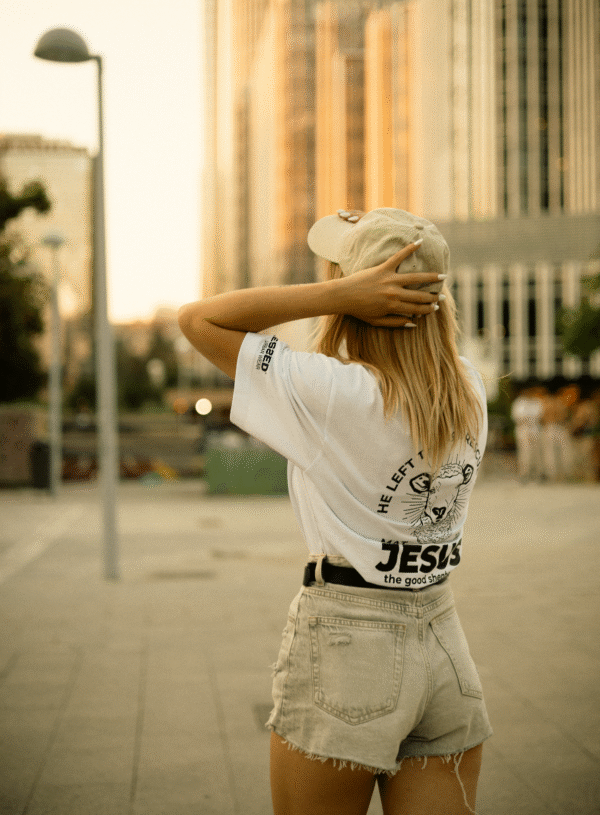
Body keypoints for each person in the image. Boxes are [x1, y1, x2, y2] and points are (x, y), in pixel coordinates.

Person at [178, 207, 492, 815]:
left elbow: (198, 319)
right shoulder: (468, 388)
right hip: (442, 639)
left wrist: (337, 294)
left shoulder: (333, 394)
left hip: (349, 645)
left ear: (362, 298)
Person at [510, 385, 544, 482]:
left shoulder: (536, 402)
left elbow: (539, 416)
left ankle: (536, 473)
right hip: (523, 430)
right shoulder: (519, 402)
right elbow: (518, 418)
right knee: (525, 453)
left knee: (536, 453)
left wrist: (529, 420)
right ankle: (524, 474)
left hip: (535, 430)